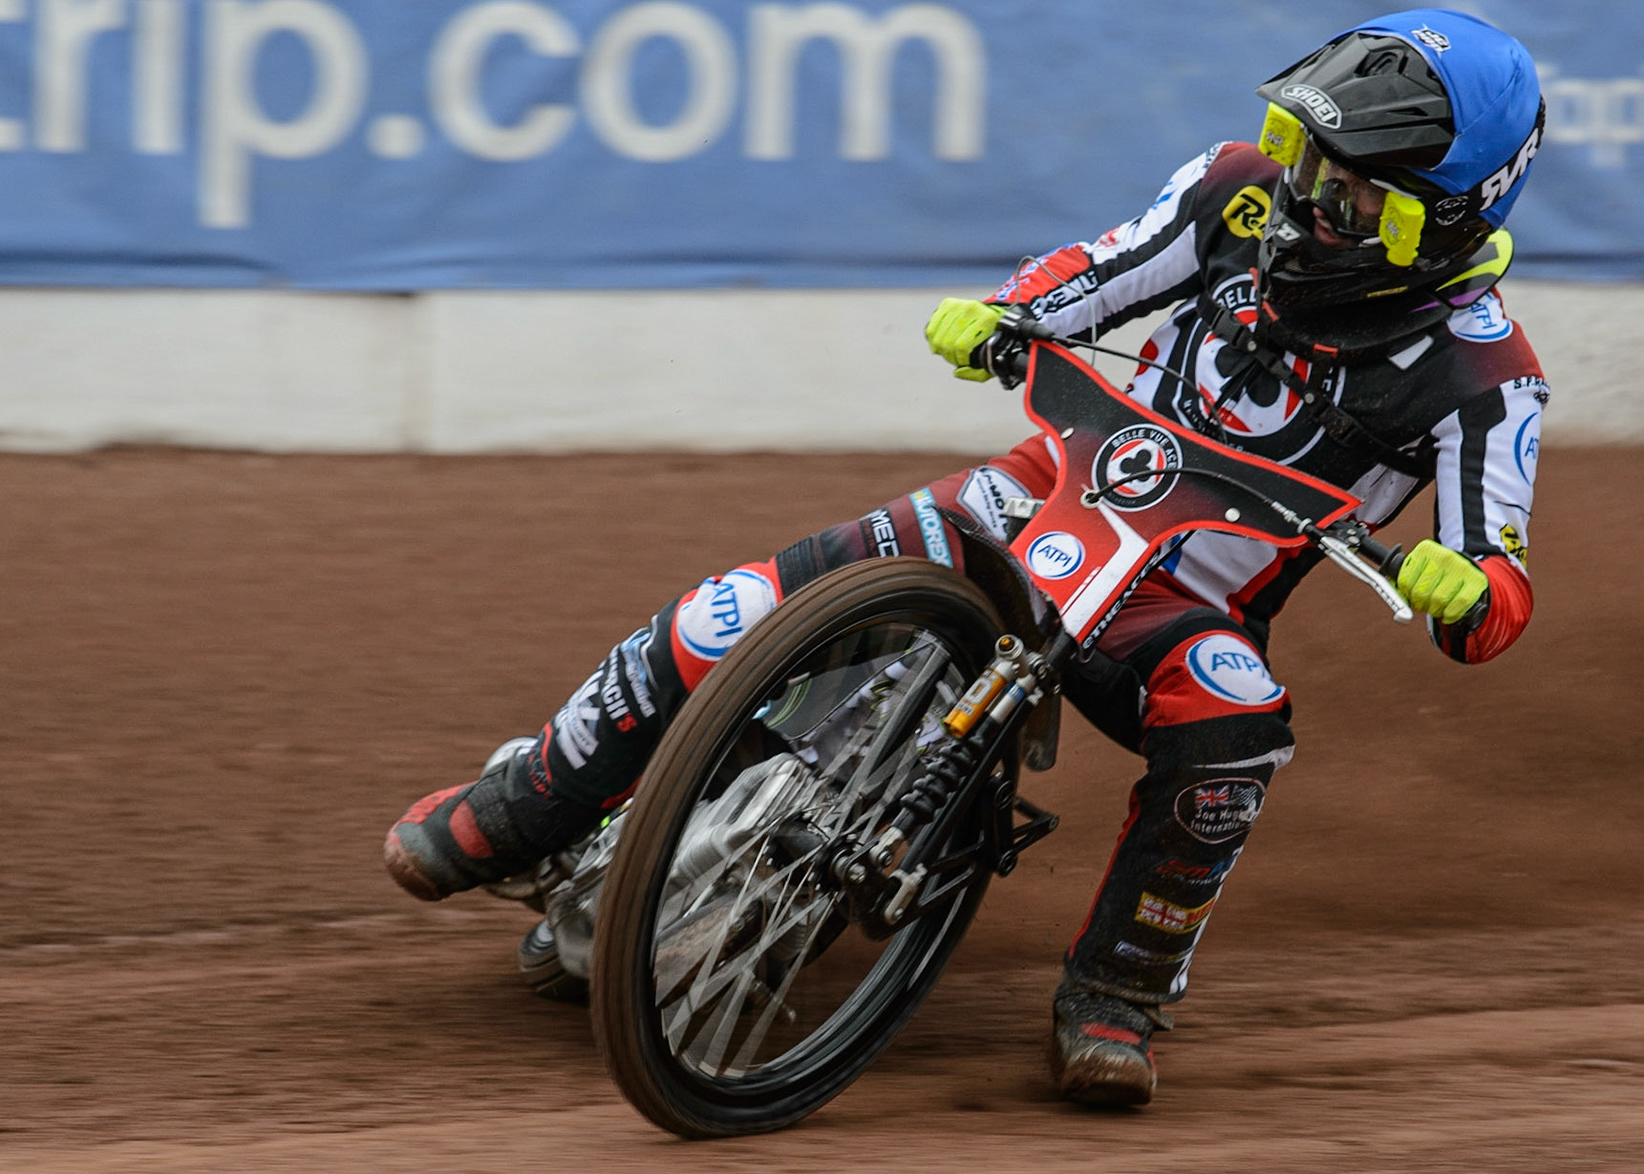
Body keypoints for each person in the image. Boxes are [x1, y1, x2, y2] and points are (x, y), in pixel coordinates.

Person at [384, 8, 1548, 1108]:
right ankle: (520, 807)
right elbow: (1097, 269)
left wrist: (1464, 587)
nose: (1309, 206)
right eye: (1308, 161)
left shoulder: (1489, 377)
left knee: (1238, 718)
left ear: (1449, 218)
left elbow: (1498, 581)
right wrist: (1007, 311)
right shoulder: (1233, 193)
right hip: (1036, 496)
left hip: (1179, 607)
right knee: (728, 612)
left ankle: (1120, 990)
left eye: (1356, 197)